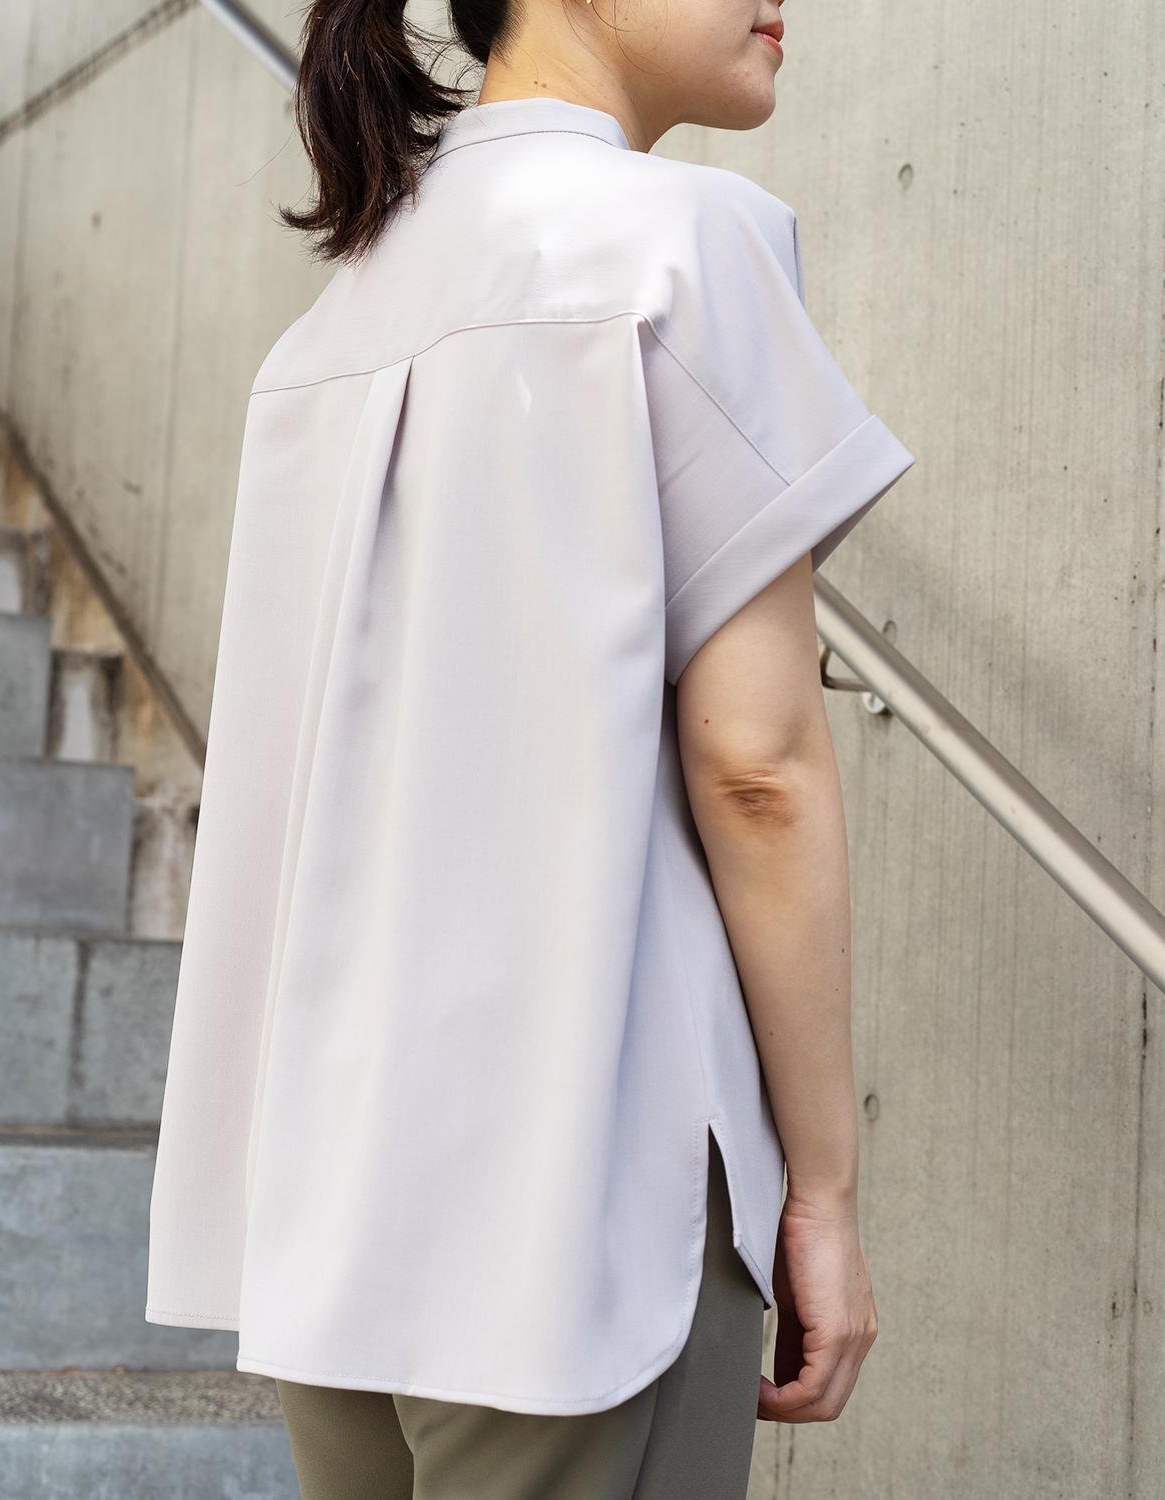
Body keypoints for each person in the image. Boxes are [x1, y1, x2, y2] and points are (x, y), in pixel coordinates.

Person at [144, 0, 917, 1495]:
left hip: (334, 1198)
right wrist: (819, 1193)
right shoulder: (687, 241)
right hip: (583, 1208)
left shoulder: (339, 312)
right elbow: (757, 767)